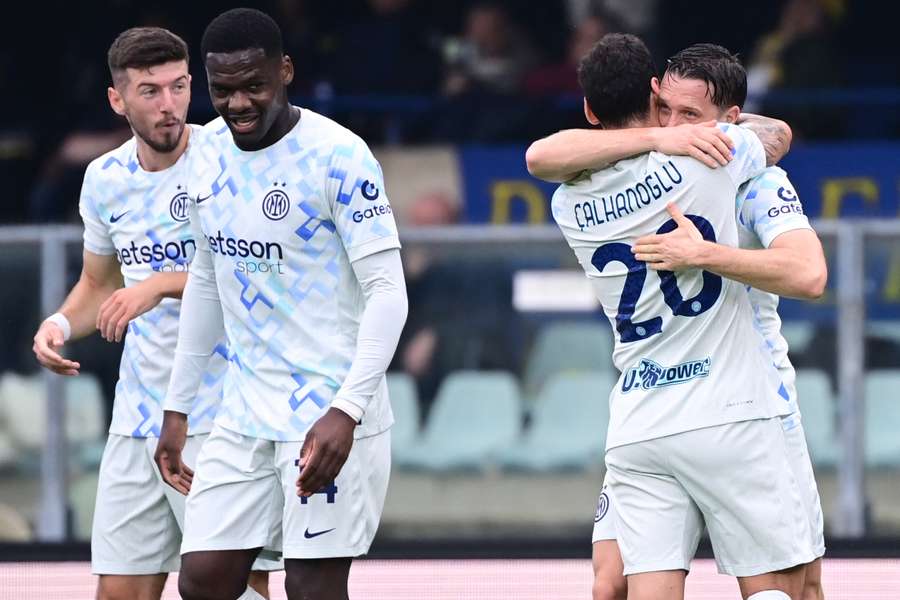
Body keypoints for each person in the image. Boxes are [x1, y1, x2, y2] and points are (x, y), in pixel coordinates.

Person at [527, 42, 827, 600]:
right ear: (653, 94)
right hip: (731, 409)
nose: (676, 124)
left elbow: (540, 156)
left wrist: (665, 134)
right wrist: (684, 136)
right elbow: (778, 137)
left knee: (625, 586)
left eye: (690, 115)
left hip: (641, 417)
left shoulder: (568, 197)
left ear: (590, 112)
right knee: (782, 590)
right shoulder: (713, 159)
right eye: (668, 110)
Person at [153, 8, 407, 600]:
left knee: (312, 588)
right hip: (242, 410)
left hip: (327, 406)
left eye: (253, 86)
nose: (237, 103)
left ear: (285, 71)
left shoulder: (339, 157)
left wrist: (347, 411)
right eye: (222, 90)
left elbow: (388, 292)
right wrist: (178, 404)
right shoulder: (205, 152)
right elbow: (208, 279)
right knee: (203, 582)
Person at [30, 27, 277, 600]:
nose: (169, 105)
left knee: (237, 586)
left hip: (225, 415)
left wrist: (161, 285)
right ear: (118, 101)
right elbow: (99, 283)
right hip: (138, 414)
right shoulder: (105, 179)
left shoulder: (233, 160)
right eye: (150, 91)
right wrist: (60, 325)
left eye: (179, 87)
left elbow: (264, 277)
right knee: (119, 593)